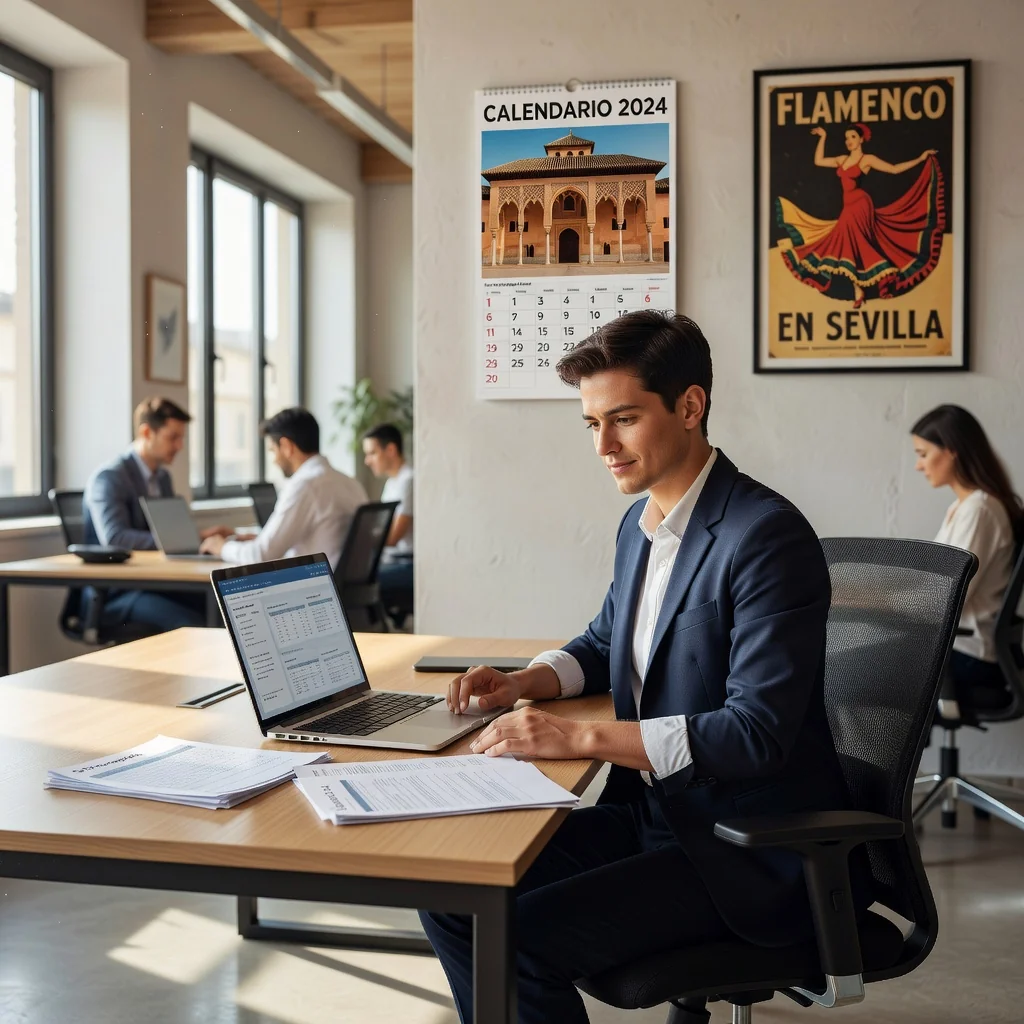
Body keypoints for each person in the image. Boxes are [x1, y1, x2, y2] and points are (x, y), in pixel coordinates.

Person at [422, 311, 864, 1024]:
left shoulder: (765, 537)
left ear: (690, 406)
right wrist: (526, 682)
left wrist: (582, 739)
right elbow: (605, 643)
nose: (603, 445)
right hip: (655, 816)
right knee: (454, 894)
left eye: (622, 419)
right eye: (592, 424)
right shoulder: (643, 522)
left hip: (741, 850)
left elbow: (755, 733)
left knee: (516, 941)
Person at [911, 405, 1023, 708]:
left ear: (951, 451)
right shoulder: (962, 508)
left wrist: (875, 601)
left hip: (968, 655)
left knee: (849, 676)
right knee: (846, 670)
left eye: (922, 454)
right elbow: (930, 583)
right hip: (953, 651)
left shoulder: (980, 510)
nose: (919, 466)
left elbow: (946, 596)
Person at [776, 123, 942, 308]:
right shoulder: (841, 159)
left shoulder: (866, 159)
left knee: (853, 243)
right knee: (848, 245)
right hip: (848, 207)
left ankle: (862, 287)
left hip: (861, 205)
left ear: (861, 139)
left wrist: (920, 158)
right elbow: (819, 161)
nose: (849, 141)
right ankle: (858, 288)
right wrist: (823, 137)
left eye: (853, 137)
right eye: (847, 138)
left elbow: (894, 169)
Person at [82, 397, 207, 630]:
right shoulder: (109, 478)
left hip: (156, 583)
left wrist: (195, 537)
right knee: (191, 624)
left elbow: (168, 531)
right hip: (117, 591)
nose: (180, 446)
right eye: (173, 438)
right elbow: (116, 539)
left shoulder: (162, 478)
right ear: (147, 432)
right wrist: (186, 540)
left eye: (181, 438)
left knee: (218, 609)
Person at [201, 407, 367, 569]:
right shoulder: (351, 483)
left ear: (287, 446)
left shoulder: (305, 485)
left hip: (312, 589)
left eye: (273, 450)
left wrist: (222, 547)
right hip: (345, 591)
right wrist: (255, 539)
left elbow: (261, 556)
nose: (274, 460)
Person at [362, 422, 414, 622]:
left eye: (372, 453)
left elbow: (392, 537)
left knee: (360, 584)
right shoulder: (393, 483)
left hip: (407, 563)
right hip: (392, 560)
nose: (367, 461)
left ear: (391, 450)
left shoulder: (409, 481)